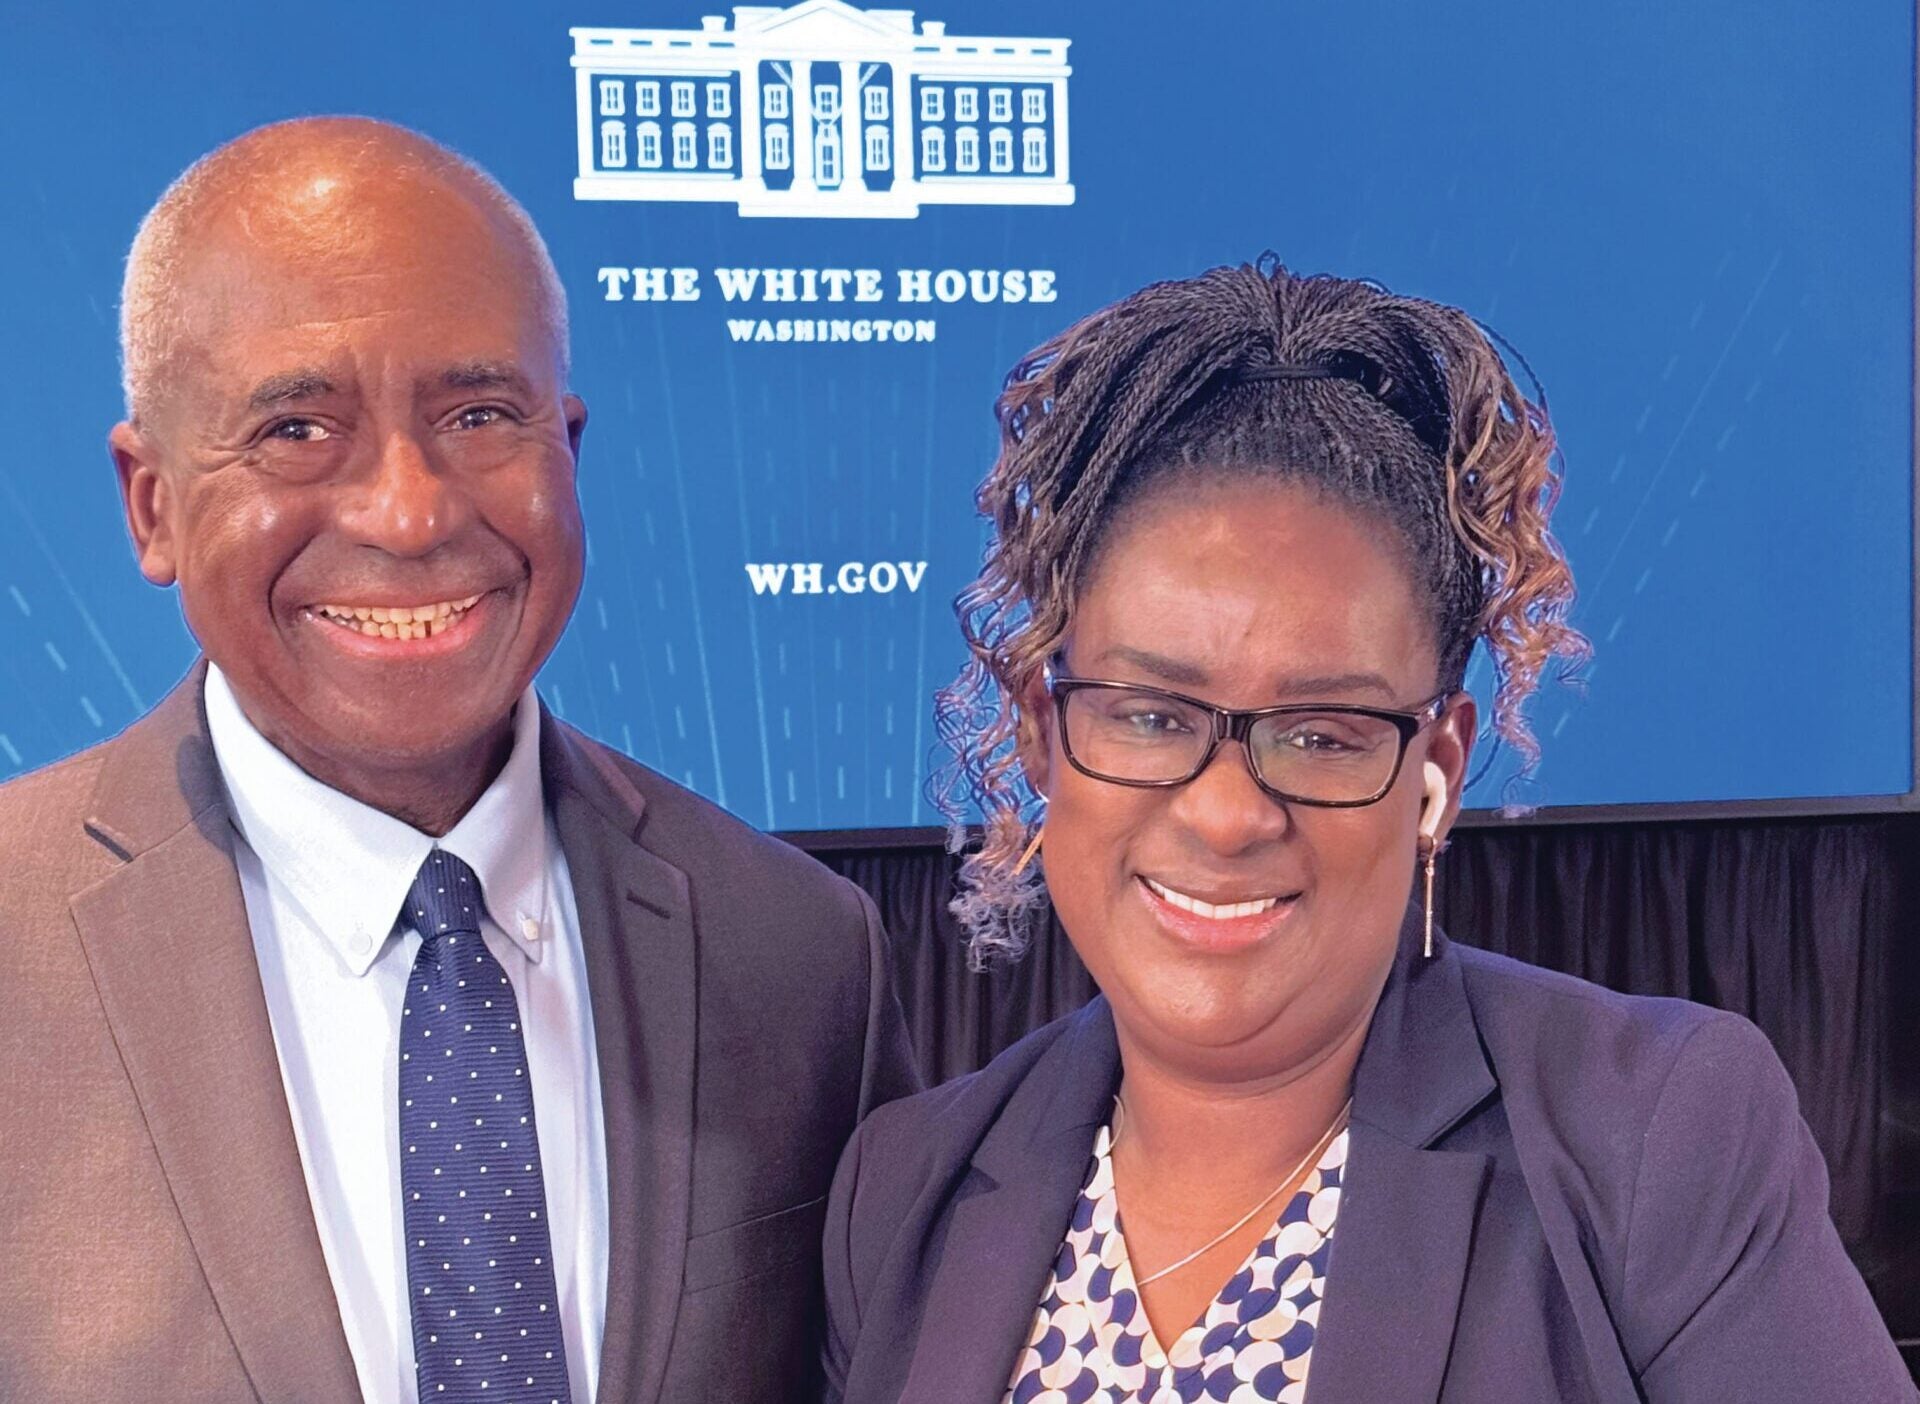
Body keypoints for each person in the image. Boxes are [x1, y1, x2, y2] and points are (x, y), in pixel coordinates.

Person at [819, 259, 1914, 1402]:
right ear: (1044, 734)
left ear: (1435, 770)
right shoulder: (902, 1195)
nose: (1228, 813)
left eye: (1323, 734)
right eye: (1149, 716)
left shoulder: (1651, 1135)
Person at [0, 117, 916, 1404]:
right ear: (151, 503)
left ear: (567, 451)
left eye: (480, 415)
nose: (410, 511)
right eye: (297, 429)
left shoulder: (801, 954)